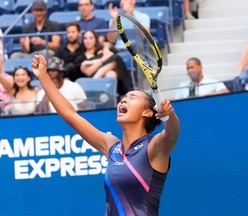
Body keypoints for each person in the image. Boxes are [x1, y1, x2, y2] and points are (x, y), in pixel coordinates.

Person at [32, 54, 180, 215]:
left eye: (132, 97)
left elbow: (172, 133)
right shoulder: (112, 147)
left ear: (147, 112)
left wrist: (169, 115)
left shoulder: (154, 147)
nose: (123, 100)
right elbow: (71, 116)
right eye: (123, 98)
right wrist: (43, 76)